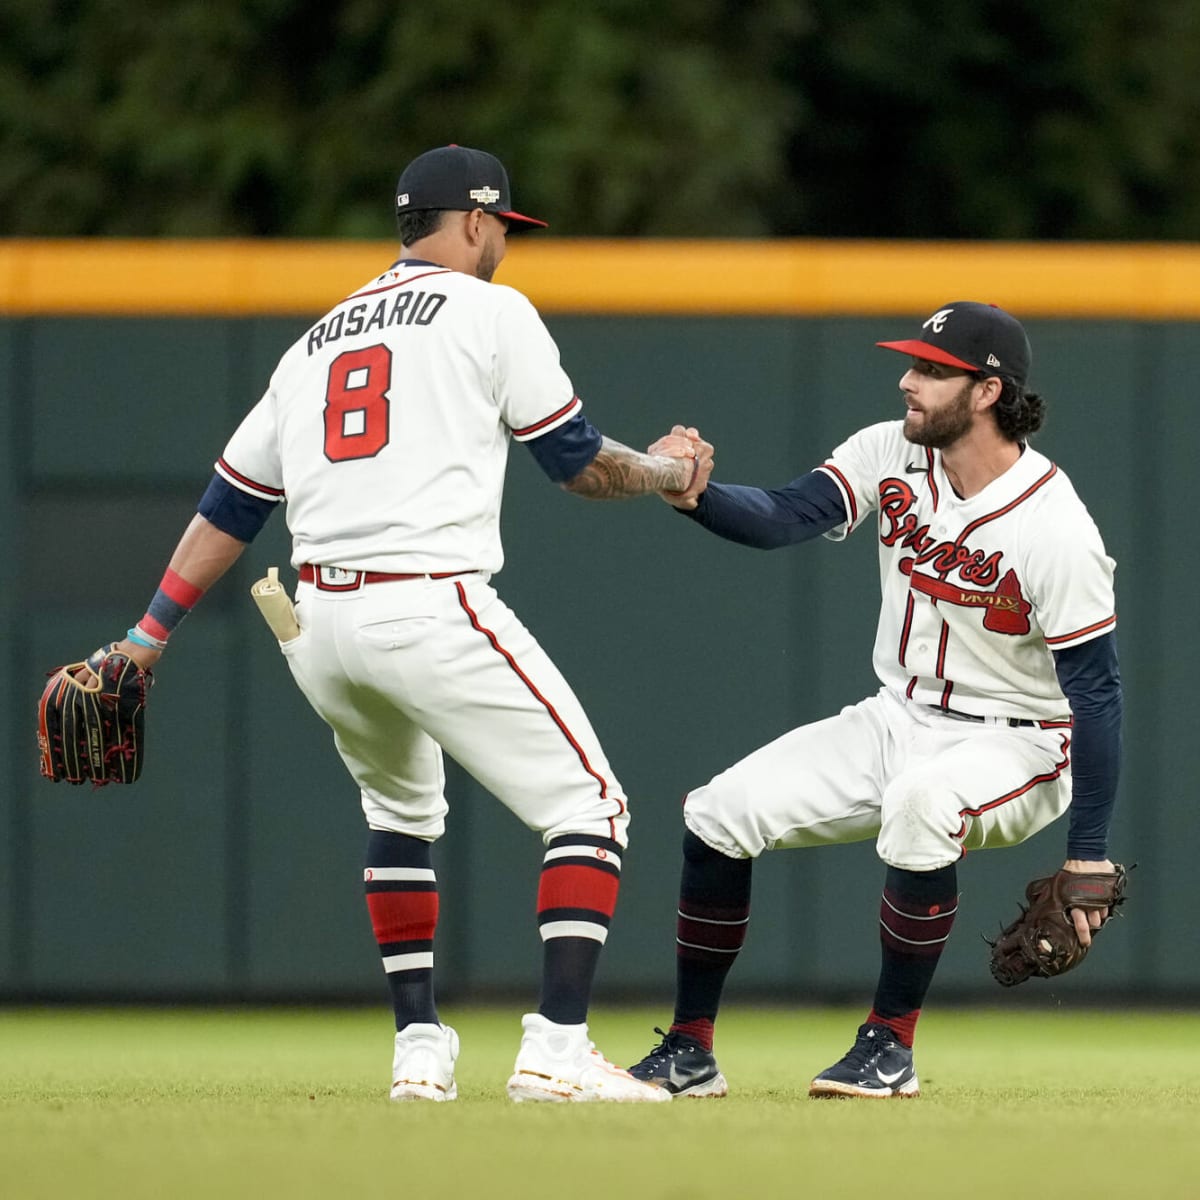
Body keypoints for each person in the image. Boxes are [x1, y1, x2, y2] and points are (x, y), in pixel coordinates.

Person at [89, 145, 711, 1103]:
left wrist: (146, 634)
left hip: (316, 625)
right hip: (427, 600)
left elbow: (231, 504)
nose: (505, 241)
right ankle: (557, 1049)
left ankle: (419, 1047)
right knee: (591, 808)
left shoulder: (316, 340)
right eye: (503, 224)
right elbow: (577, 464)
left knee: (400, 818)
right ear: (471, 221)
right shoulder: (490, 308)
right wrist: (672, 473)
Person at [627, 301, 1123, 1099]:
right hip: (897, 715)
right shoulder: (888, 450)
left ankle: (888, 1047)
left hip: (1021, 741)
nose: (907, 380)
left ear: (988, 391)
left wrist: (1087, 849)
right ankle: (690, 1050)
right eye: (912, 364)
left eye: (930, 370)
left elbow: (1097, 693)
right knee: (718, 813)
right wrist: (696, 496)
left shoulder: (1055, 529)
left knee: (923, 803)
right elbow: (785, 515)